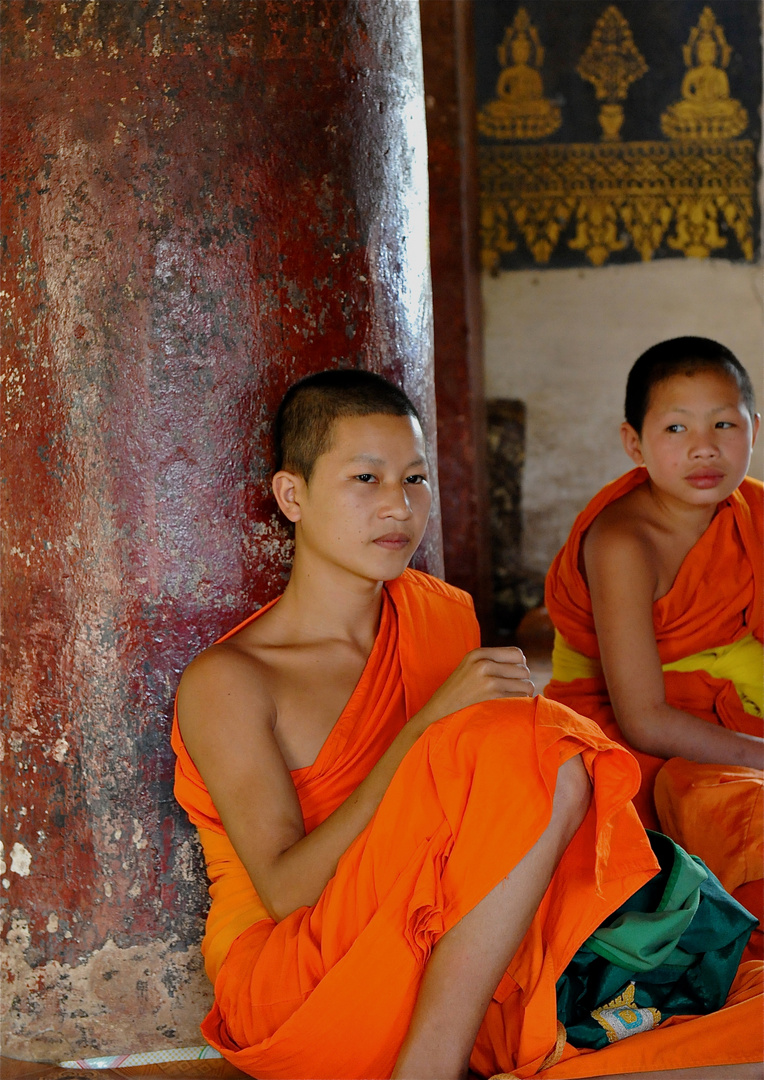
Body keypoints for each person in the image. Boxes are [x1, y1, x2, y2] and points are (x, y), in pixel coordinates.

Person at [173, 367, 762, 1080]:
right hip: (307, 986)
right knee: (534, 738)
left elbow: (490, 832)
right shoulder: (229, 680)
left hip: (442, 967)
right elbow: (289, 890)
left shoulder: (439, 617)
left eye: (415, 480)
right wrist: (424, 729)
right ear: (292, 496)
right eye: (366, 479)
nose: (398, 506)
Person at [545, 337, 763, 950]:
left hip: (728, 709)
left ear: (754, 427)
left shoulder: (752, 512)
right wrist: (759, 755)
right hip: (622, 728)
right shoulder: (624, 542)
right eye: (676, 427)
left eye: (725, 422)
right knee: (711, 807)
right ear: (634, 444)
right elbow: (642, 719)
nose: (704, 447)